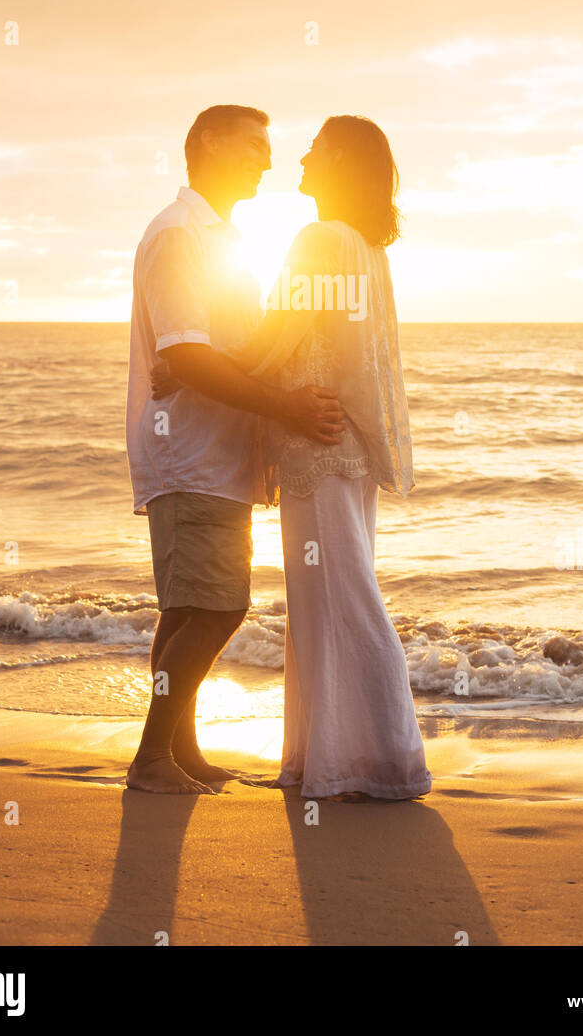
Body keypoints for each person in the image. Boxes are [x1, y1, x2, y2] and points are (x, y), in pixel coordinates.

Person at [154, 115, 431, 801]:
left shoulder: (320, 240)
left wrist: (188, 368)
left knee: (338, 599)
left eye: (317, 149)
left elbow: (277, 335)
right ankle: (334, 757)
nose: (301, 158)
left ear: (341, 163)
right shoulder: (366, 247)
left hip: (317, 447)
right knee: (338, 593)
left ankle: (378, 760)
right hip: (345, 449)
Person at [125, 104, 345, 794]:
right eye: (254, 145)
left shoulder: (217, 237)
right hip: (191, 453)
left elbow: (234, 346)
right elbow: (187, 356)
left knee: (188, 607)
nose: (267, 160)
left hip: (211, 455)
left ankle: (177, 752)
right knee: (219, 607)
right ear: (210, 144)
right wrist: (285, 407)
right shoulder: (178, 236)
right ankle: (152, 758)